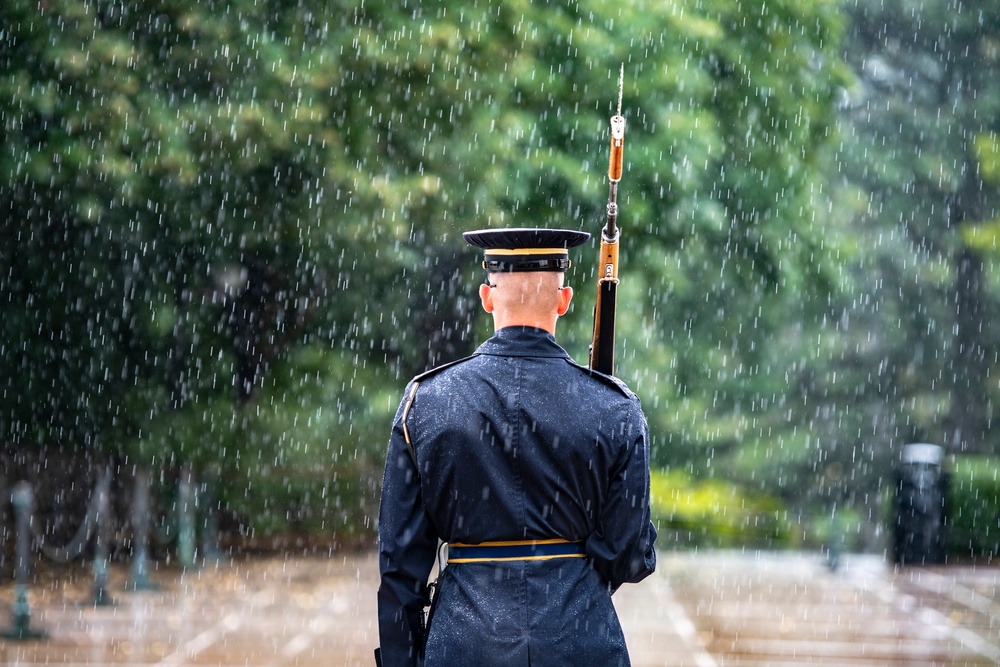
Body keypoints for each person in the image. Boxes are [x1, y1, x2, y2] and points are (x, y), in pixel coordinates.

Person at [376, 227, 657, 667]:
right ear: (564, 302)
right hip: (580, 640)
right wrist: (569, 577)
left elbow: (399, 569)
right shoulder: (614, 407)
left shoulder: (426, 402)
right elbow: (631, 555)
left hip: (465, 642)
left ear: (487, 297)